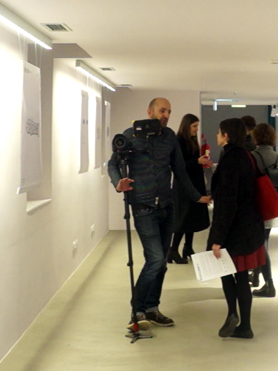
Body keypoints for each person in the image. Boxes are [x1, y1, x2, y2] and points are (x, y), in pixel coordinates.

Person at [107, 98, 211, 335]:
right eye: (162, 110)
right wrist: (118, 183)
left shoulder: (169, 137)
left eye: (169, 112)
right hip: (143, 207)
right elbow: (112, 165)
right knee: (155, 259)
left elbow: (180, 171)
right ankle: (137, 310)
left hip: (167, 206)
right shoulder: (131, 135)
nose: (166, 115)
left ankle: (152, 308)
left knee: (161, 263)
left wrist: (197, 197)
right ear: (149, 111)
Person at [208, 118, 266, 339]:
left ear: (226, 136)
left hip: (235, 229)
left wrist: (218, 238)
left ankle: (232, 313)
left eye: (219, 132)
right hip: (249, 225)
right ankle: (245, 325)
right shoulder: (247, 156)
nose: (216, 135)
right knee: (241, 276)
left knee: (225, 271)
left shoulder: (231, 160)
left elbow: (228, 203)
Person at [168, 113, 212, 264]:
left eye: (197, 126)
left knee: (191, 217)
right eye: (194, 126)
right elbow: (178, 165)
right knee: (183, 218)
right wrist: (197, 161)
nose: (196, 129)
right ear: (187, 126)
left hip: (194, 183)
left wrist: (200, 162)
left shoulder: (191, 140)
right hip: (184, 186)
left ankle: (188, 247)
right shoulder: (179, 141)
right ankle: (173, 250)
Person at [249, 123, 278, 297]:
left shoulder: (253, 156)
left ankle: (269, 284)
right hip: (270, 203)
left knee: (260, 245)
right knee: (264, 240)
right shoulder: (276, 156)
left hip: (256, 204)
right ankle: (256, 277)